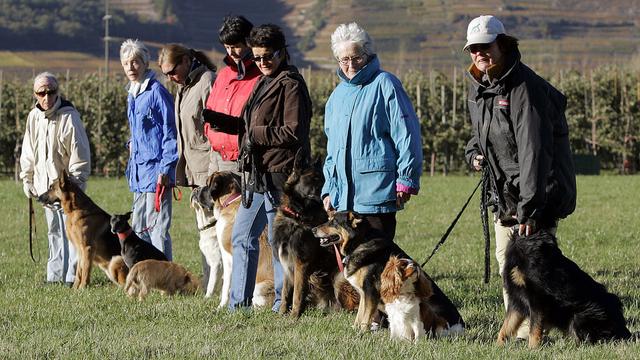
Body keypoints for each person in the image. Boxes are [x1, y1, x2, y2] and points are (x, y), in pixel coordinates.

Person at [463, 15, 577, 340]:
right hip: (506, 196)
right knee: (507, 263)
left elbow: (534, 153)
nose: (479, 53)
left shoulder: (524, 88)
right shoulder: (480, 87)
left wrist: (531, 208)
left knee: (534, 270)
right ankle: (520, 329)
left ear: (503, 44)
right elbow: (478, 136)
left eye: (485, 46)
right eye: (473, 48)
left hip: (535, 194)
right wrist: (474, 155)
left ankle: (539, 330)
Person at [203, 24, 312, 311]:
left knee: (278, 243)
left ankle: (281, 303)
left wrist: (256, 134)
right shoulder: (265, 81)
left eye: (268, 56)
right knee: (242, 237)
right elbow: (251, 125)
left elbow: (294, 131)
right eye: (257, 57)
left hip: (280, 177)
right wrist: (224, 122)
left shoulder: (291, 84)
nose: (262, 62)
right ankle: (238, 305)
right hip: (257, 176)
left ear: (282, 52)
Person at [321, 22, 423, 329]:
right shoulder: (336, 96)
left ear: (368, 55)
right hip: (344, 198)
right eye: (344, 60)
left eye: (356, 58)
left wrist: (406, 178)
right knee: (353, 265)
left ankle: (383, 318)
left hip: (376, 191)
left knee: (375, 265)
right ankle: (372, 316)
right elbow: (332, 149)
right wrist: (329, 188)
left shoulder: (386, 84)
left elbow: (407, 134)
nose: (350, 65)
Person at [198, 15, 261, 285]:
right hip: (218, 161)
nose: (231, 52)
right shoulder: (223, 75)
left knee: (243, 232)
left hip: (242, 164)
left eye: (236, 46)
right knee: (220, 230)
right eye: (226, 47)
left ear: (249, 41)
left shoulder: (259, 76)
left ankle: (247, 286)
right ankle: (226, 287)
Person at [19, 72, 91, 285]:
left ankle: (72, 276)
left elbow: (80, 154)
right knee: (54, 231)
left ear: (58, 92)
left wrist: (75, 186)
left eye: (51, 92)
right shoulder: (34, 117)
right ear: (35, 94)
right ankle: (55, 275)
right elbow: (28, 151)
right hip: (45, 189)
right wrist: (27, 178)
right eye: (42, 93)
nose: (47, 97)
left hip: (67, 191)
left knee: (73, 234)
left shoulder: (69, 117)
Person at [158, 43, 217, 284]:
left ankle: (220, 281)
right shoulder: (183, 88)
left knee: (216, 231)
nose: (170, 77)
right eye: (165, 74)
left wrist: (214, 171)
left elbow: (215, 129)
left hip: (209, 171)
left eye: (172, 71)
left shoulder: (207, 81)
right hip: (194, 171)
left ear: (185, 61)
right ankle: (210, 279)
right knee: (204, 231)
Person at [120, 39, 178, 260]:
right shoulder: (132, 93)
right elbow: (137, 131)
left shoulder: (157, 92)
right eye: (126, 64)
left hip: (157, 172)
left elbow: (170, 131)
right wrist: (131, 144)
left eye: (135, 62)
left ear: (145, 63)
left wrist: (166, 169)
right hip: (138, 173)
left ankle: (166, 278)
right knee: (139, 226)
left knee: (158, 228)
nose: (130, 68)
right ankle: (148, 275)